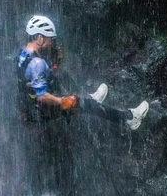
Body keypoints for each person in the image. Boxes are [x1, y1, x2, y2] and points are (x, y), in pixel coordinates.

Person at [18, 15, 149, 129]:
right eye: (50, 39)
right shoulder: (38, 63)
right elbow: (42, 96)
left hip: (29, 108)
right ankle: (129, 119)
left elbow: (31, 81)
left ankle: (88, 97)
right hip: (42, 112)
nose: (51, 42)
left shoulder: (23, 54)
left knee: (60, 74)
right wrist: (63, 101)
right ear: (40, 38)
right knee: (86, 105)